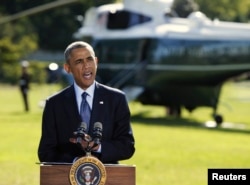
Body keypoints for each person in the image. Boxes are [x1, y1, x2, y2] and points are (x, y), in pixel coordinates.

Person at [38, 41, 135, 164]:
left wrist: (98, 147)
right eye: (79, 62)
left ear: (96, 62)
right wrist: (76, 162)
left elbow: (127, 146)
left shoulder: (116, 99)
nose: (86, 66)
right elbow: (45, 152)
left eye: (89, 60)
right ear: (68, 68)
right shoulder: (54, 104)